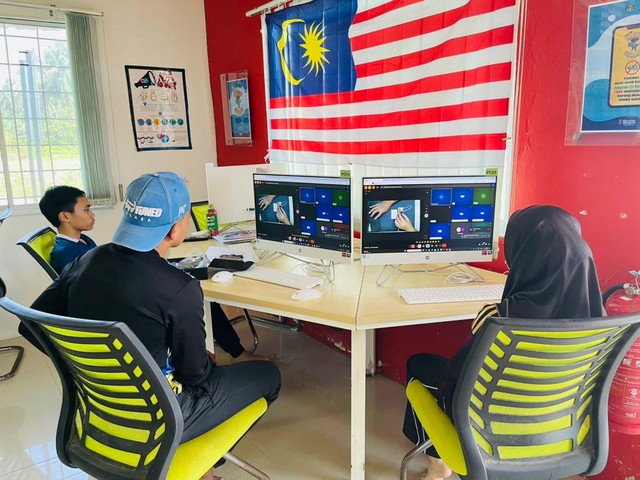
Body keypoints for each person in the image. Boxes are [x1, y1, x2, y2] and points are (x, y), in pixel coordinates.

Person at [25, 172, 281, 479]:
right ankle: (203, 467)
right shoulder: (180, 287)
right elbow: (195, 376)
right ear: (176, 228)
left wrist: (87, 367)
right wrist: (198, 362)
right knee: (269, 376)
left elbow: (31, 325)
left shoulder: (86, 259)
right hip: (163, 418)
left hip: (97, 411)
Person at [402, 205, 604, 480]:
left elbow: (458, 376)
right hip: (561, 432)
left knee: (420, 364)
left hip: (488, 430)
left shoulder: (499, 318)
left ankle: (439, 466)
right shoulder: (601, 323)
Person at [38, 186, 97, 274]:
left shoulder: (82, 239)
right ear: (65, 216)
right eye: (86, 210)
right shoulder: (68, 254)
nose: (92, 214)